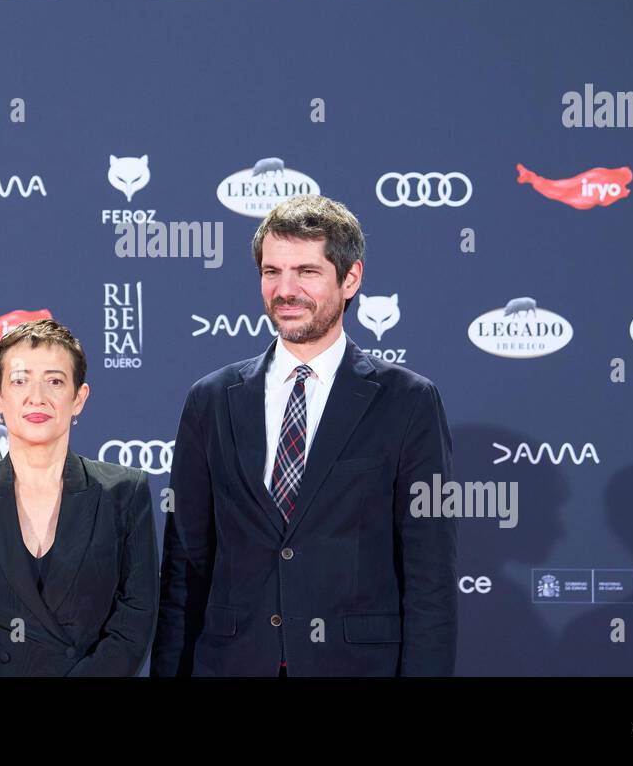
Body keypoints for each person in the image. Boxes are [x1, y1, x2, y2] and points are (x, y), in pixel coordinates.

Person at [152, 194, 457, 676]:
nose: (285, 290)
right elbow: (185, 569)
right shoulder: (211, 400)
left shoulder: (407, 401)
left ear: (350, 278)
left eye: (306, 272)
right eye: (272, 272)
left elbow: (430, 577)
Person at [0, 319, 158, 676]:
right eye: (20, 381)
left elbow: (134, 622)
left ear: (79, 398)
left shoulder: (124, 492)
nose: (37, 397)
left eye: (55, 381)